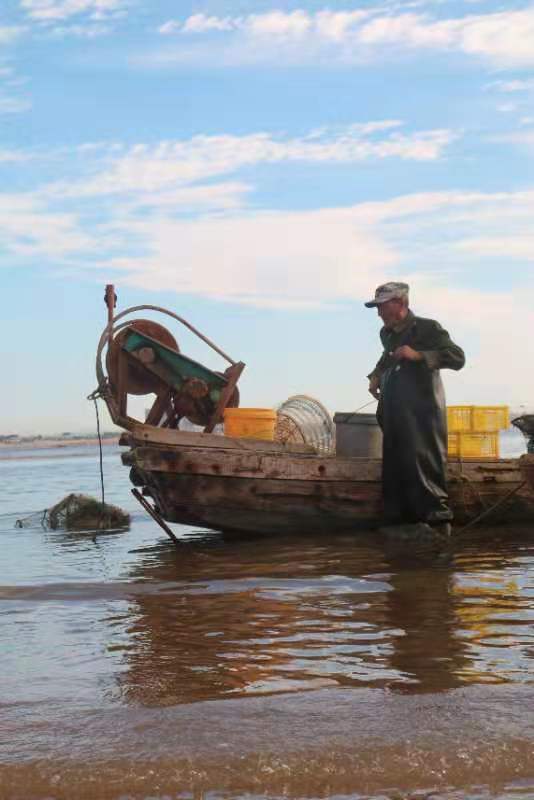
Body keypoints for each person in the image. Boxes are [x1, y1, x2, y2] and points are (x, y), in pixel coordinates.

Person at [365, 282, 465, 533]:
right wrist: (376, 375)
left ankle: (438, 524)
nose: (379, 313)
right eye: (376, 308)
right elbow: (388, 356)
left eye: (382, 306)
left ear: (400, 303)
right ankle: (399, 523)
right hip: (394, 412)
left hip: (423, 413)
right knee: (396, 466)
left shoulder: (427, 328)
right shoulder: (386, 333)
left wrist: (419, 355)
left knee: (424, 464)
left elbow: (457, 357)